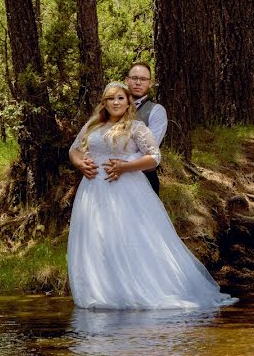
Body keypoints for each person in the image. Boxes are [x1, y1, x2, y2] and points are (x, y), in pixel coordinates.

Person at [66, 81, 237, 309]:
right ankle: (103, 291)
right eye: (110, 98)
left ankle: (138, 289)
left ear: (128, 102)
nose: (115, 102)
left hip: (126, 189)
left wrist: (124, 167)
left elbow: (154, 157)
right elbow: (74, 149)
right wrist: (80, 164)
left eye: (120, 98)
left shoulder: (136, 127)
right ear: (104, 103)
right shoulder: (93, 125)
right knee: (98, 238)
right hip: (93, 190)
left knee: (128, 238)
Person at [77, 62, 167, 194]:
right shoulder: (110, 109)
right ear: (127, 80)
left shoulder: (156, 110)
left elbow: (151, 149)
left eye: (143, 79)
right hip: (101, 179)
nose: (138, 82)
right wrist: (87, 160)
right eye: (134, 78)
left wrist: (122, 165)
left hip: (141, 178)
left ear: (150, 83)